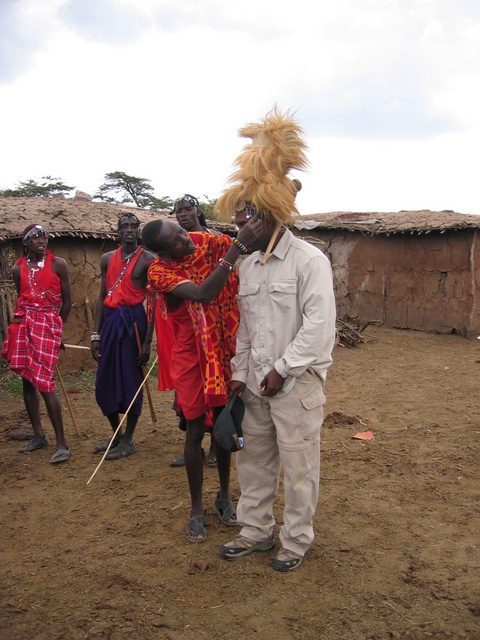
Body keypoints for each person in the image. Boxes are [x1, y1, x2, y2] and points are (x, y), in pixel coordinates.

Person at [219, 203, 336, 572]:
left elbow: (318, 326)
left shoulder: (309, 261)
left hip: (296, 385)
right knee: (253, 461)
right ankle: (256, 530)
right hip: (254, 384)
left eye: (243, 225)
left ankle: (297, 538)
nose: (238, 234)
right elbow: (247, 327)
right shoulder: (248, 265)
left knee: (299, 466)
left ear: (264, 220)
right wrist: (240, 371)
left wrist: (283, 369)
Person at [142, 214, 263, 543]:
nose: (186, 239)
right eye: (177, 240)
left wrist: (247, 232)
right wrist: (237, 247)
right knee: (195, 429)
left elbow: (246, 243)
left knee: (222, 425)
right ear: (164, 254)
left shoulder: (205, 244)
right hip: (192, 357)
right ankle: (197, 509)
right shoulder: (160, 272)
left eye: (182, 232)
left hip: (224, 347)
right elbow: (203, 294)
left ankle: (224, 495)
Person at [2, 224, 73, 464]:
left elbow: (67, 302)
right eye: (34, 238)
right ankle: (39, 435)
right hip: (24, 324)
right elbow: (22, 295)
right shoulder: (17, 269)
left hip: (48, 325)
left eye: (44, 237)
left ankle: (61, 442)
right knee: (28, 380)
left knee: (45, 383)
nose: (41, 241)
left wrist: (56, 330)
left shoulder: (58, 264)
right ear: (26, 243)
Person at [91, 213, 155, 460]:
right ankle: (116, 434)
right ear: (117, 232)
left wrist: (148, 342)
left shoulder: (148, 260)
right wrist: (95, 334)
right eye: (124, 226)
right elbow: (101, 295)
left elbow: (153, 301)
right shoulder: (107, 259)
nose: (129, 229)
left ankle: (128, 438)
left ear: (139, 231)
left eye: (133, 226)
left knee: (131, 380)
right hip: (110, 321)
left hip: (134, 325)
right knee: (104, 380)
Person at [168, 194, 221, 468]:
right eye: (178, 211)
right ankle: (193, 445)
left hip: (215, 324)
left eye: (187, 209)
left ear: (198, 211)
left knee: (215, 388)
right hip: (187, 330)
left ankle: (215, 445)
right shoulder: (169, 251)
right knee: (189, 396)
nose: (182, 214)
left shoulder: (215, 240)